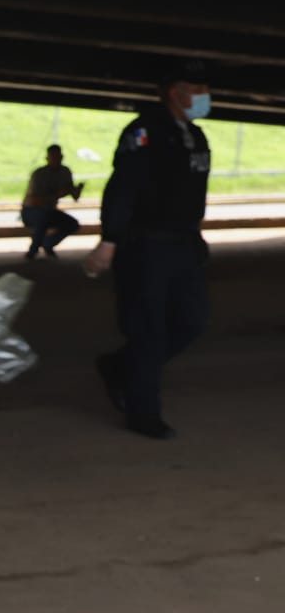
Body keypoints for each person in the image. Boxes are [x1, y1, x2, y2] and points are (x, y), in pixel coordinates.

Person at [85, 59, 212, 439]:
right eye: (198, 89)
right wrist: (110, 240)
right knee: (149, 329)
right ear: (176, 92)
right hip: (147, 245)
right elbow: (122, 188)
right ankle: (143, 413)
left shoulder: (196, 135)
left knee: (192, 321)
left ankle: (119, 367)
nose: (205, 97)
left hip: (184, 243)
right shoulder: (144, 131)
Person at [21, 143, 83, 258]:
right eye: (53, 157)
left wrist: (77, 190)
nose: (56, 160)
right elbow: (34, 200)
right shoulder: (39, 174)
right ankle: (33, 250)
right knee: (43, 217)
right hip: (31, 211)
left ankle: (48, 243)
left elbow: (74, 196)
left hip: (49, 211)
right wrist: (56, 195)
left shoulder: (65, 172)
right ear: (47, 158)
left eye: (58, 157)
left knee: (72, 224)